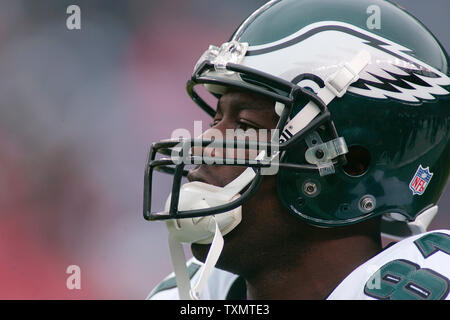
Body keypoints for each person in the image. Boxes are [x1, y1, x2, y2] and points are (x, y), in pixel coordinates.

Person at [144, 0, 450, 300]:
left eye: (246, 126)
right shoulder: (190, 291)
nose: (206, 147)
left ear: (352, 164)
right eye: (216, 118)